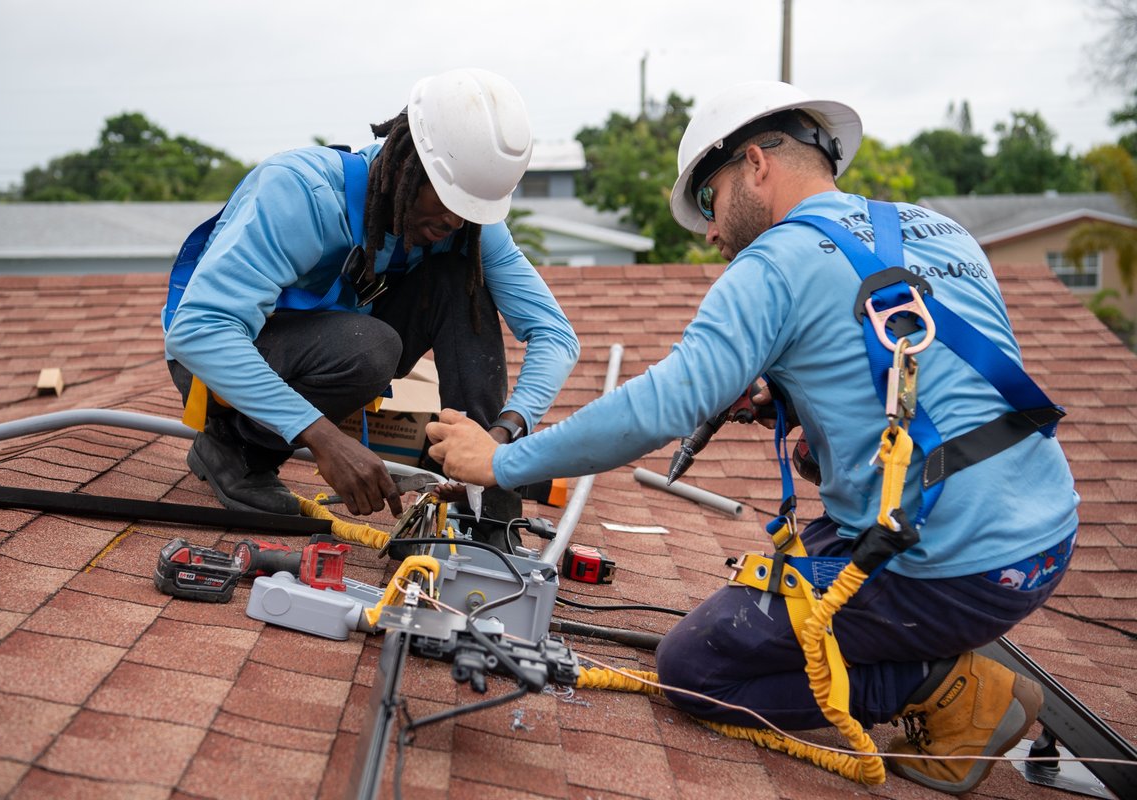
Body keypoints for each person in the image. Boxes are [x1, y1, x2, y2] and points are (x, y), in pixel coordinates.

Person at [426, 80, 1078, 795]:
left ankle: (947, 688)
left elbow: (660, 406)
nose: (709, 231)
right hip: (1041, 533)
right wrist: (790, 396)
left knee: (697, 669)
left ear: (757, 165)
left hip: (951, 565)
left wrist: (502, 460)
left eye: (708, 201)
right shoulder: (940, 230)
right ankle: (932, 653)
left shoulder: (772, 266)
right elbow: (949, 387)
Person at [162, 68, 579, 536]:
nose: (457, 221)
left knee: (460, 276)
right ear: (405, 167)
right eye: (447, 200)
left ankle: (483, 505)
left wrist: (497, 442)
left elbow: (556, 336)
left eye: (470, 210)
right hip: (215, 361)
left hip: (330, 345)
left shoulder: (461, 225)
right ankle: (236, 451)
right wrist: (322, 438)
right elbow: (200, 333)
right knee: (370, 346)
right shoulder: (299, 193)